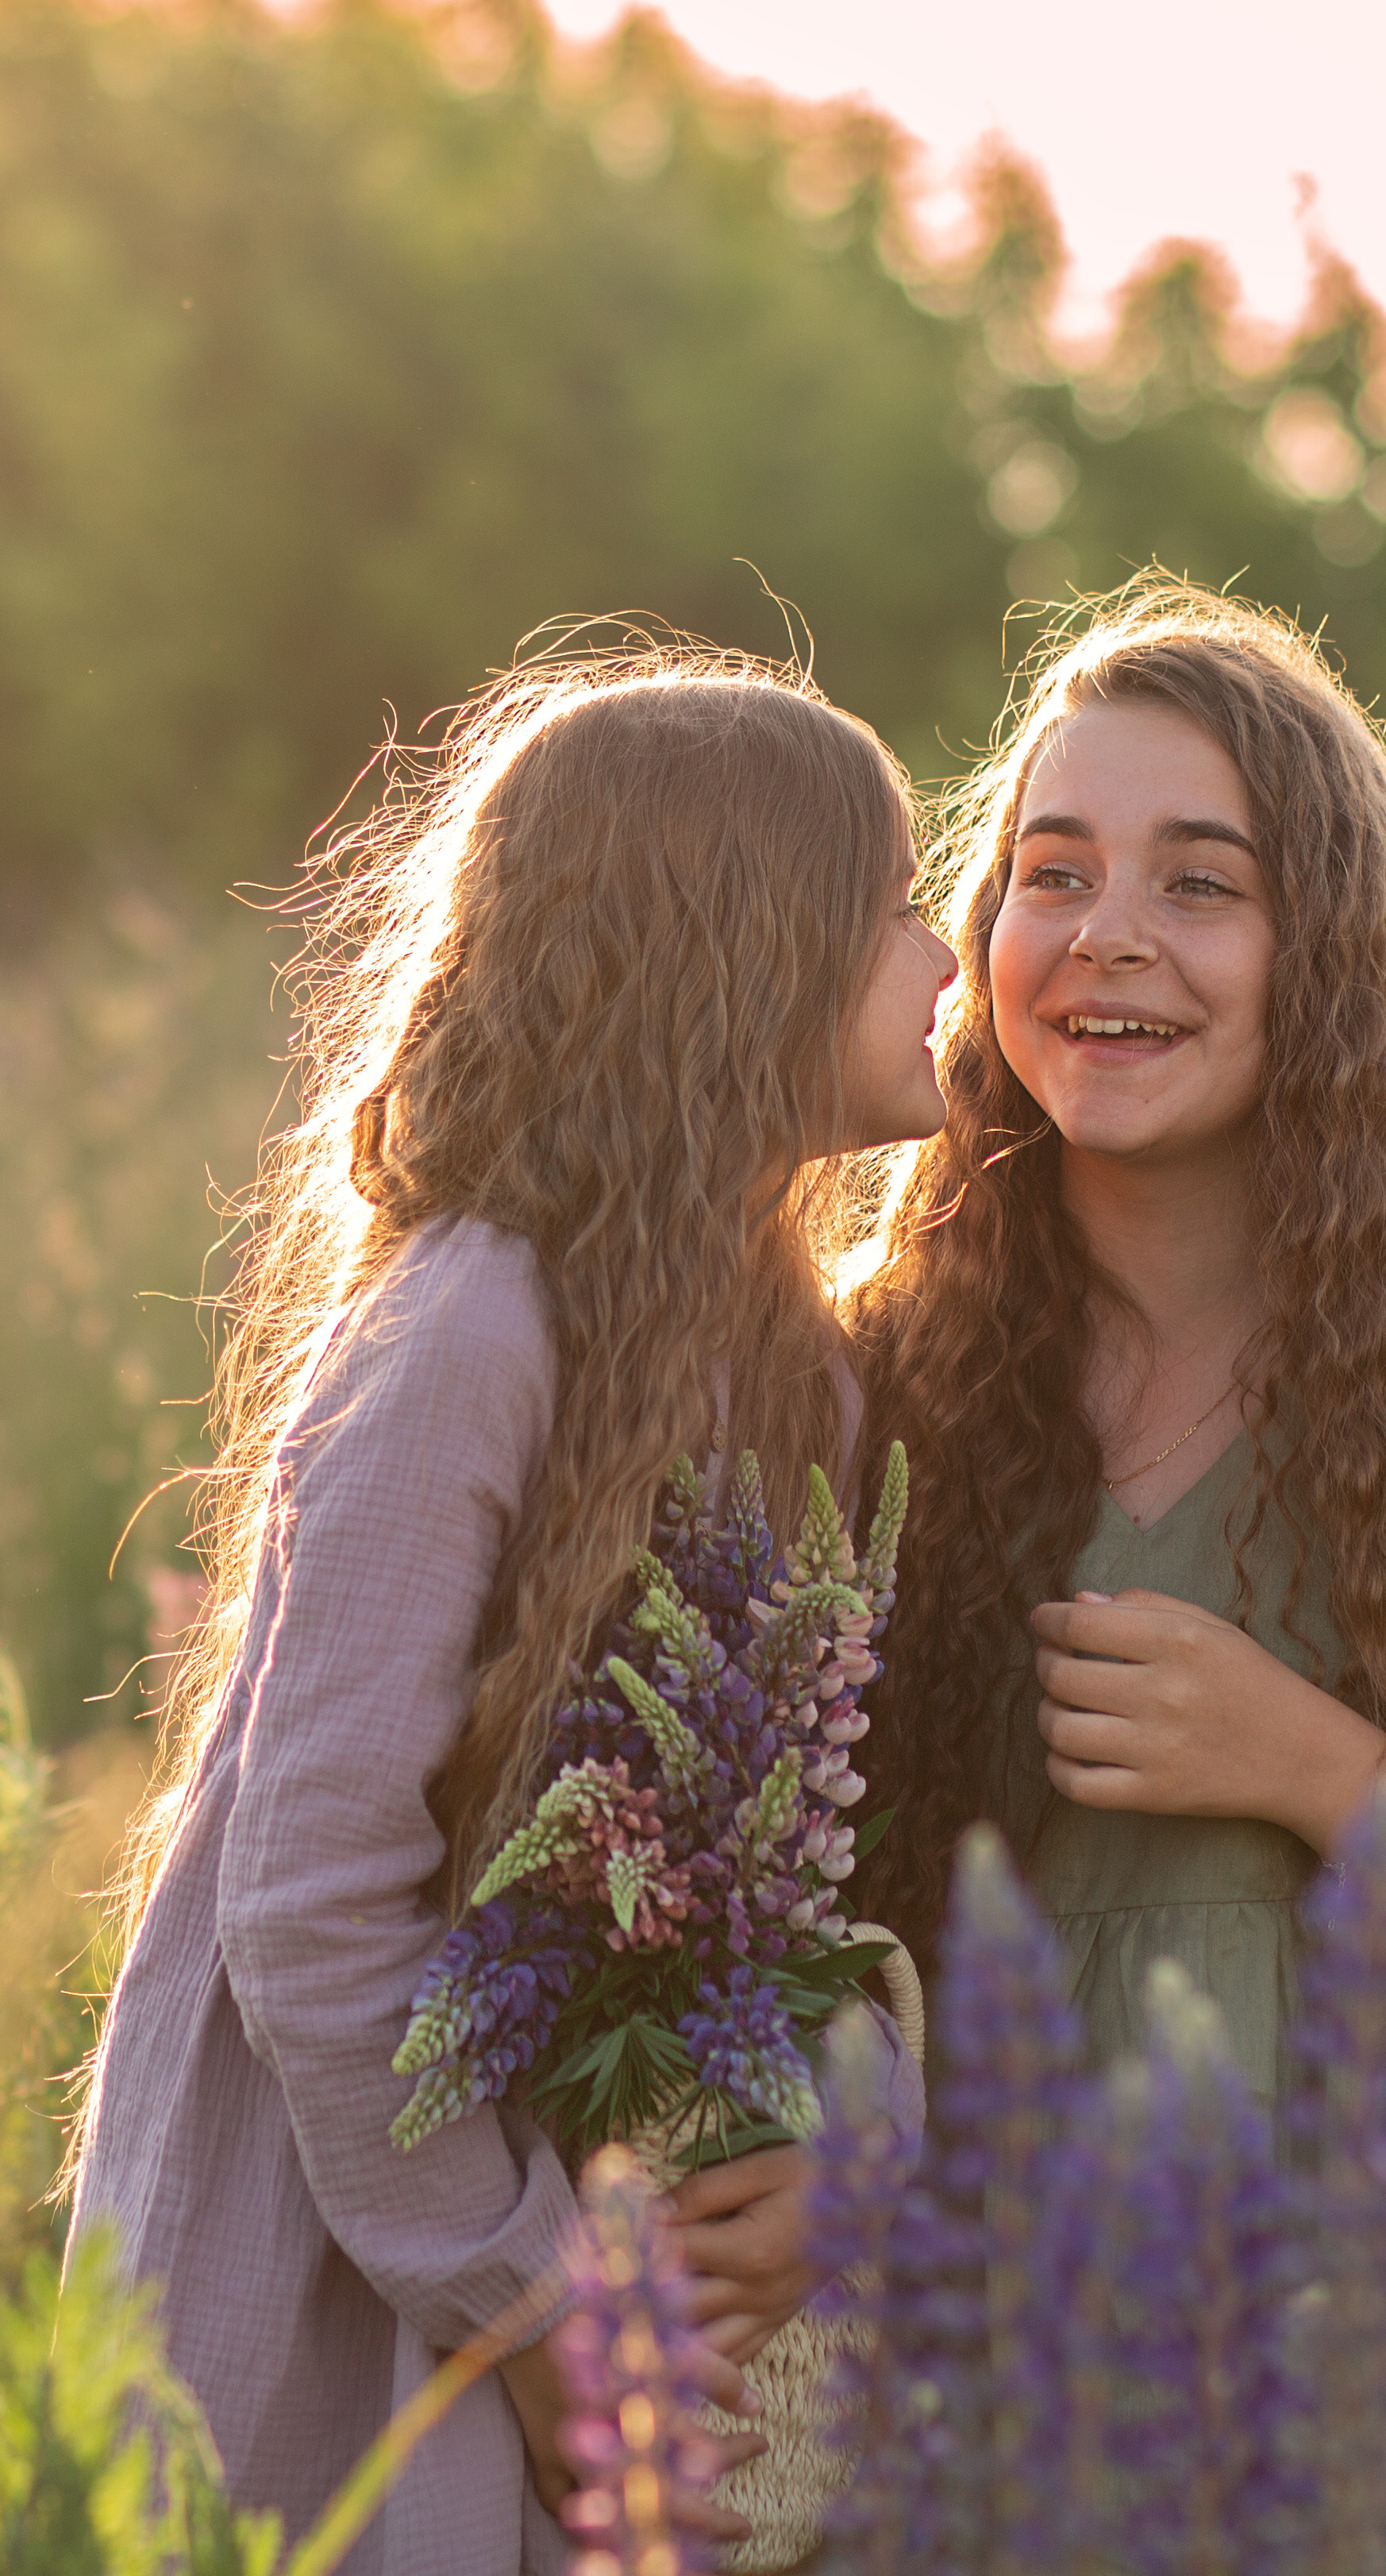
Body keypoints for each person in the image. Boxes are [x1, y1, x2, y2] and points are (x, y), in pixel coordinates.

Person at [70, 644, 953, 2574]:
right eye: (890, 905)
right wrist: (534, 2301)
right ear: (744, 949)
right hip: (355, 2250)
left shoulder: (798, 1365)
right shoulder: (471, 1325)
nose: (947, 951)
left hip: (596, 2227)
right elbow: (309, 1899)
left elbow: (780, 1866)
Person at [848, 580, 1386, 2484]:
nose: (1108, 941)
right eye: (1052, 874)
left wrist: (1308, 1766)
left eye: (1200, 883)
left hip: (1369, 2369)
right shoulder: (878, 1376)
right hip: (980, 2367)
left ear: (1323, 947)